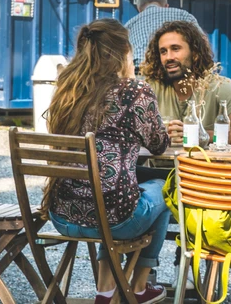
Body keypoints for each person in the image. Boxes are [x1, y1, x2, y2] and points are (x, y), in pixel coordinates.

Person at [45, 19, 169, 304]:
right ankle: (138, 287)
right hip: (115, 221)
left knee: (111, 189)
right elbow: (159, 145)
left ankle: (106, 291)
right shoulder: (135, 91)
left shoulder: (68, 89)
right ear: (122, 53)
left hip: (62, 216)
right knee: (165, 188)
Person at [141, 20, 231, 148]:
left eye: (175, 49)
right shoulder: (151, 88)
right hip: (160, 167)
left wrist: (203, 135)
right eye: (163, 51)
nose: (168, 57)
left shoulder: (219, 86)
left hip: (201, 167)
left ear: (195, 53)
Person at [124, 0, 199, 66]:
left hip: (140, 71)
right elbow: (201, 44)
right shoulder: (184, 15)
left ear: (139, 9)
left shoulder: (128, 26)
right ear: (166, 6)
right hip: (176, 68)